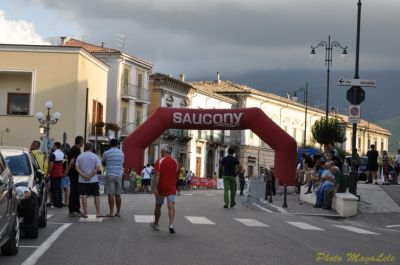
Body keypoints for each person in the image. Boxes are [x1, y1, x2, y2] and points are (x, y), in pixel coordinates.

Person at [150, 144, 179, 234]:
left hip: (161, 187)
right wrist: (174, 184)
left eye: (161, 152)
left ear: (164, 152)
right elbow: (177, 175)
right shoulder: (175, 162)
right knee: (171, 206)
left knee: (158, 205)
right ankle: (171, 224)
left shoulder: (159, 161)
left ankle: (156, 224)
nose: (161, 153)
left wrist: (155, 187)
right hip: (171, 187)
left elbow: (157, 175)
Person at [75, 142, 102, 218]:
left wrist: (83, 175)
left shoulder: (80, 156)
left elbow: (76, 167)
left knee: (84, 195)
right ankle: (98, 213)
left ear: (85, 147)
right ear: (92, 148)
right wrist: (90, 176)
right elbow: (97, 168)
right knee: (96, 195)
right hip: (93, 179)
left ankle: (86, 213)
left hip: (82, 180)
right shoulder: (95, 156)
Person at [102, 138, 124, 217]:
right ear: (117, 144)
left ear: (110, 144)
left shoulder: (106, 153)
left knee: (111, 194)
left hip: (110, 174)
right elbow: (122, 162)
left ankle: (111, 212)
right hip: (119, 175)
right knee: (118, 194)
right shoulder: (121, 153)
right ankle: (118, 212)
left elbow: (103, 163)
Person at [65, 136, 84, 217]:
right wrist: (67, 170)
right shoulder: (76, 149)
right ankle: (73, 210)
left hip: (73, 173)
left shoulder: (73, 148)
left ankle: (76, 209)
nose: (83, 143)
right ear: (80, 141)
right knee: (74, 191)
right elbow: (72, 161)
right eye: (82, 141)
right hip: (74, 173)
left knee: (76, 191)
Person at [47, 142, 64, 208]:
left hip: (54, 173)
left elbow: (51, 165)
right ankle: (59, 202)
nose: (52, 147)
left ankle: (55, 203)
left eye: (53, 146)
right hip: (60, 172)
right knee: (59, 188)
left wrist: (48, 172)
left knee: (54, 188)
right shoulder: (62, 153)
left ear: (56, 146)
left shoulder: (53, 154)